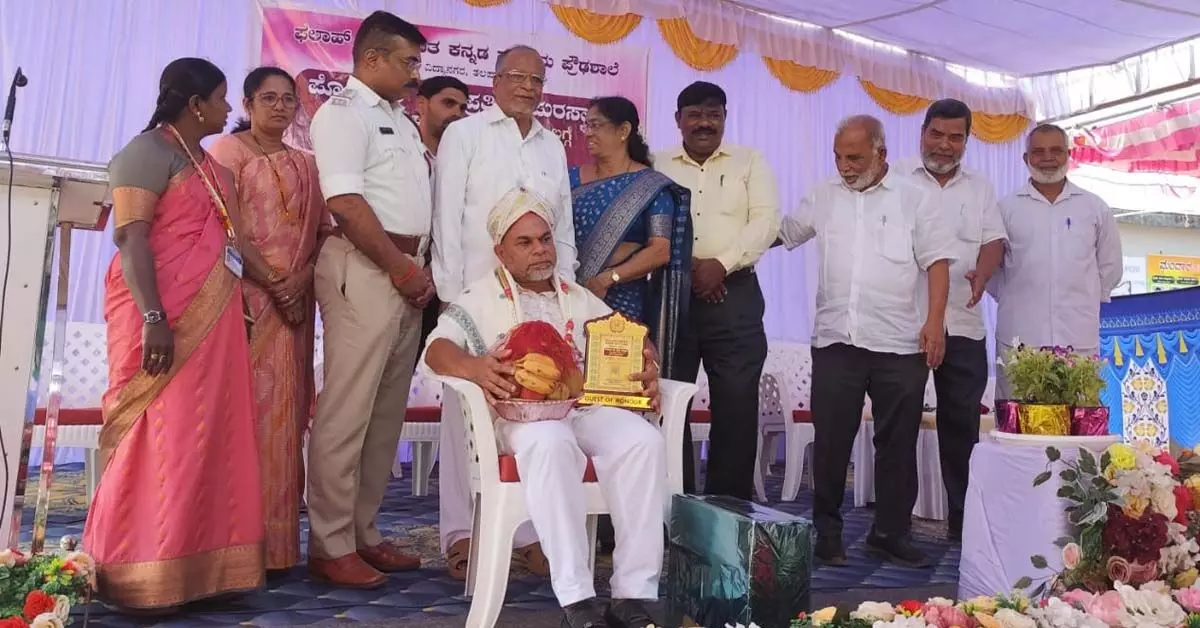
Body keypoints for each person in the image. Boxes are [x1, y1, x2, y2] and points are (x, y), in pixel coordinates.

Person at [421, 187, 666, 628]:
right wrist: (475, 367)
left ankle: (633, 594)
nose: (540, 249)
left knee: (642, 441)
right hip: (520, 419)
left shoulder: (576, 296)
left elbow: (628, 338)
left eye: (545, 239)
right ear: (501, 252)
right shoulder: (481, 297)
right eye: (525, 242)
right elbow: (436, 349)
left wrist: (647, 362)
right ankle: (577, 599)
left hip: (583, 409)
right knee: (551, 442)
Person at [84, 57, 266, 610]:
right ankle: (136, 573)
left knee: (205, 438)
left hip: (214, 324)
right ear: (195, 105)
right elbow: (131, 240)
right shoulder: (146, 152)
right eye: (221, 98)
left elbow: (227, 247)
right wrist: (154, 318)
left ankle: (201, 571)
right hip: (160, 318)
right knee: (153, 434)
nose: (228, 108)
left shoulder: (213, 169)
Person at [778, 115, 956, 567]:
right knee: (831, 442)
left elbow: (937, 263)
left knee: (897, 444)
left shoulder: (914, 198)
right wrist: (727, 251)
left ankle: (890, 533)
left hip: (900, 342)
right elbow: (782, 233)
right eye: (838, 157)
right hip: (837, 339)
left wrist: (935, 323)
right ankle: (827, 532)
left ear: (882, 154)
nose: (845, 166)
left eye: (855, 157)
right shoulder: (823, 196)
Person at [432, 44, 573, 577]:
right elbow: (447, 217)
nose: (527, 88)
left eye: (536, 80)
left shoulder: (552, 145)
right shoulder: (466, 135)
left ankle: (530, 533)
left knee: (537, 407)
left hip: (538, 299)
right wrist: (449, 295)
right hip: (476, 295)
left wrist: (564, 290)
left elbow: (561, 226)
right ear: (494, 81)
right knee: (466, 410)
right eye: (517, 77)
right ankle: (461, 533)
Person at [305, 11, 435, 589]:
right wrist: (400, 267)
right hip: (365, 266)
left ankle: (363, 531)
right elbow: (346, 203)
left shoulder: (401, 121)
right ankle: (330, 543)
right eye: (408, 62)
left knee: (384, 415)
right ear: (373, 58)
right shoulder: (343, 113)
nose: (415, 74)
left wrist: (419, 269)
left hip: (407, 271)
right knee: (347, 410)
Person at [209, 66, 331, 571]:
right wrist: (275, 284)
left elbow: (321, 233)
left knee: (285, 421)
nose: (280, 107)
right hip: (245, 304)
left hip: (296, 307)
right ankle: (233, 546)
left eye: (288, 99)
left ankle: (277, 551)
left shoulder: (306, 163)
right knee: (244, 419)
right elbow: (225, 231)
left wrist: (300, 280)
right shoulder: (226, 153)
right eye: (269, 98)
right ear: (247, 103)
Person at [571, 95, 691, 553]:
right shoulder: (570, 180)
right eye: (586, 125)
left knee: (618, 407)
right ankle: (574, 515)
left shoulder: (650, 187)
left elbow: (659, 250)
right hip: (572, 306)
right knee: (573, 402)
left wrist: (611, 276)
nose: (588, 133)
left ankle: (620, 524)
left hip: (621, 310)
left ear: (624, 131)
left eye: (598, 125)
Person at [654, 81, 779, 499]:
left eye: (713, 114)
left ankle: (727, 513)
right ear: (678, 120)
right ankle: (675, 505)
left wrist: (720, 266)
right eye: (694, 114)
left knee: (737, 406)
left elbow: (765, 223)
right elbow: (648, 222)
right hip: (673, 292)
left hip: (735, 295)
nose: (704, 123)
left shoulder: (750, 161)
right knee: (669, 403)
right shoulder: (656, 163)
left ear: (725, 117)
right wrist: (691, 268)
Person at [897, 99, 1006, 543]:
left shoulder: (980, 187)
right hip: (905, 324)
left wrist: (983, 273)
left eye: (955, 137)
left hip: (963, 322)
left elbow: (994, 240)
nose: (944, 145)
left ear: (967, 140)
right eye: (936, 134)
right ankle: (895, 526)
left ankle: (964, 524)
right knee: (899, 427)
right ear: (922, 131)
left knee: (961, 429)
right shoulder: (896, 179)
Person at [990, 123, 1123, 390]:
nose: (1047, 158)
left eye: (1056, 150)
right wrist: (1013, 296)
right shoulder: (1005, 209)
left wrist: (1083, 298)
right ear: (1026, 158)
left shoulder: (1094, 208)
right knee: (1019, 414)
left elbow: (1110, 267)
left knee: (1077, 413)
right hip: (1020, 340)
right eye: (1038, 152)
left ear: (1068, 155)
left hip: (1078, 339)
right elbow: (991, 272)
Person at [414, 75, 469, 355]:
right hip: (407, 276)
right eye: (448, 104)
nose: (457, 113)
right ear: (422, 105)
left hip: (453, 282)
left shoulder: (469, 158)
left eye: (463, 108)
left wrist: (439, 274)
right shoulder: (407, 153)